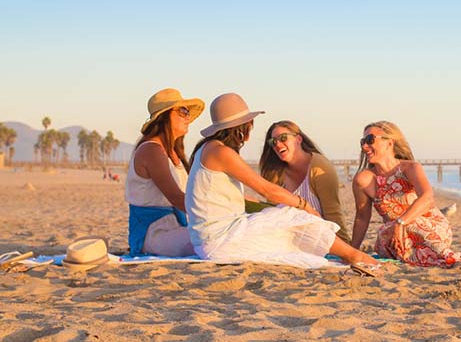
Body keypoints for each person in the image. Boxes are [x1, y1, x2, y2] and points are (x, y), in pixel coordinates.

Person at [185, 93, 381, 273]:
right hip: (221, 240)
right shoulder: (220, 152)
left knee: (287, 229)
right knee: (295, 218)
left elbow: (236, 197)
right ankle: (353, 255)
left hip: (211, 240)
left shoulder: (208, 149)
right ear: (245, 125)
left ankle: (347, 252)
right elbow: (267, 189)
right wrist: (304, 206)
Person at [352, 121, 461, 268]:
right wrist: (351, 251)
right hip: (395, 237)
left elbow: (427, 197)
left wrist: (400, 222)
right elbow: (362, 218)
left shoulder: (410, 168)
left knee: (411, 225)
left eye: (370, 140)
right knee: (383, 233)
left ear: (389, 143)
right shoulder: (363, 180)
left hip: (429, 228)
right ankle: (430, 257)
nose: (364, 147)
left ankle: (444, 256)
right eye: (363, 142)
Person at [125, 88, 205, 257]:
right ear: (164, 116)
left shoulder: (172, 152)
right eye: (183, 111)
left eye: (188, 112)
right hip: (155, 233)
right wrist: (218, 213)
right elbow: (176, 198)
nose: (188, 117)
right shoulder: (151, 151)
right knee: (212, 240)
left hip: (174, 227)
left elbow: (193, 193)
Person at [259, 120, 351, 243]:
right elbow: (273, 214)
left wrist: (348, 250)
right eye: (273, 142)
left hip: (319, 240)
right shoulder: (274, 174)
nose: (278, 145)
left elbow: (333, 214)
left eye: (283, 138)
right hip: (286, 240)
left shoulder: (319, 167)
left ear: (298, 139)